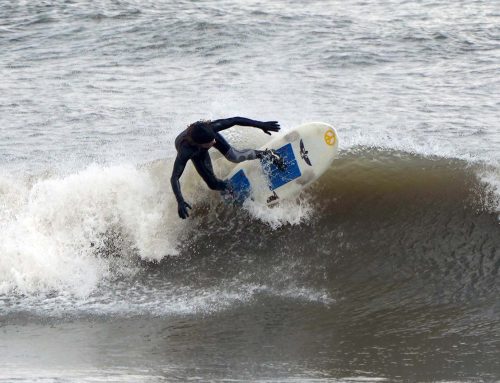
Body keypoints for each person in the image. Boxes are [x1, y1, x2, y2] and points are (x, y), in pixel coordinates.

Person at [171, 117, 281, 219]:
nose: (214, 142)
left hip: (205, 134)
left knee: (235, 156)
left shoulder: (211, 128)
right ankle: (230, 189)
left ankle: (267, 154)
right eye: (211, 142)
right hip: (197, 152)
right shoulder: (186, 151)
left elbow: (235, 120)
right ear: (201, 145)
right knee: (213, 184)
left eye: (214, 139)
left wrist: (261, 125)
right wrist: (180, 201)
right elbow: (175, 177)